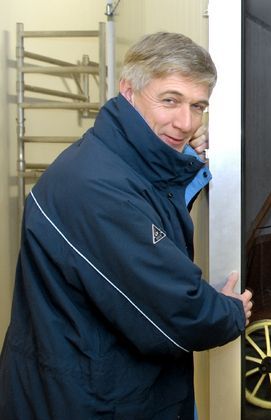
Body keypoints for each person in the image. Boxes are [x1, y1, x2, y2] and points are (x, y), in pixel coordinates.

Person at [0, 32, 252, 419]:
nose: (185, 122)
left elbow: (152, 219)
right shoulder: (96, 188)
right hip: (88, 399)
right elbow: (173, 314)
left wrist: (186, 162)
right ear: (128, 90)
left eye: (197, 106)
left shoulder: (121, 162)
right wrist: (229, 312)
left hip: (109, 382)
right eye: (170, 100)